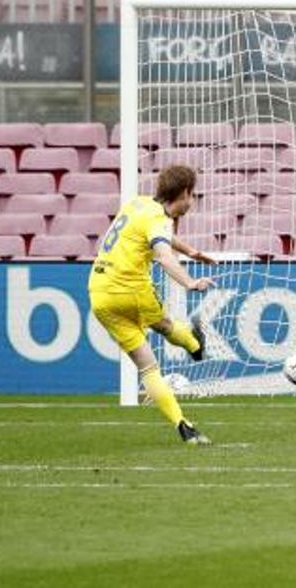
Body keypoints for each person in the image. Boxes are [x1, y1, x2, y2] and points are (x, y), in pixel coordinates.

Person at [87, 164, 216, 445]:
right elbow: (164, 256)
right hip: (130, 288)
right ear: (183, 193)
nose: (191, 202)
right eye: (191, 195)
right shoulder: (160, 219)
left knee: (147, 366)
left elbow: (159, 237)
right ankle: (195, 345)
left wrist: (191, 251)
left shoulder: (137, 205)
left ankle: (183, 425)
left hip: (99, 293)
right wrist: (190, 282)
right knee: (165, 324)